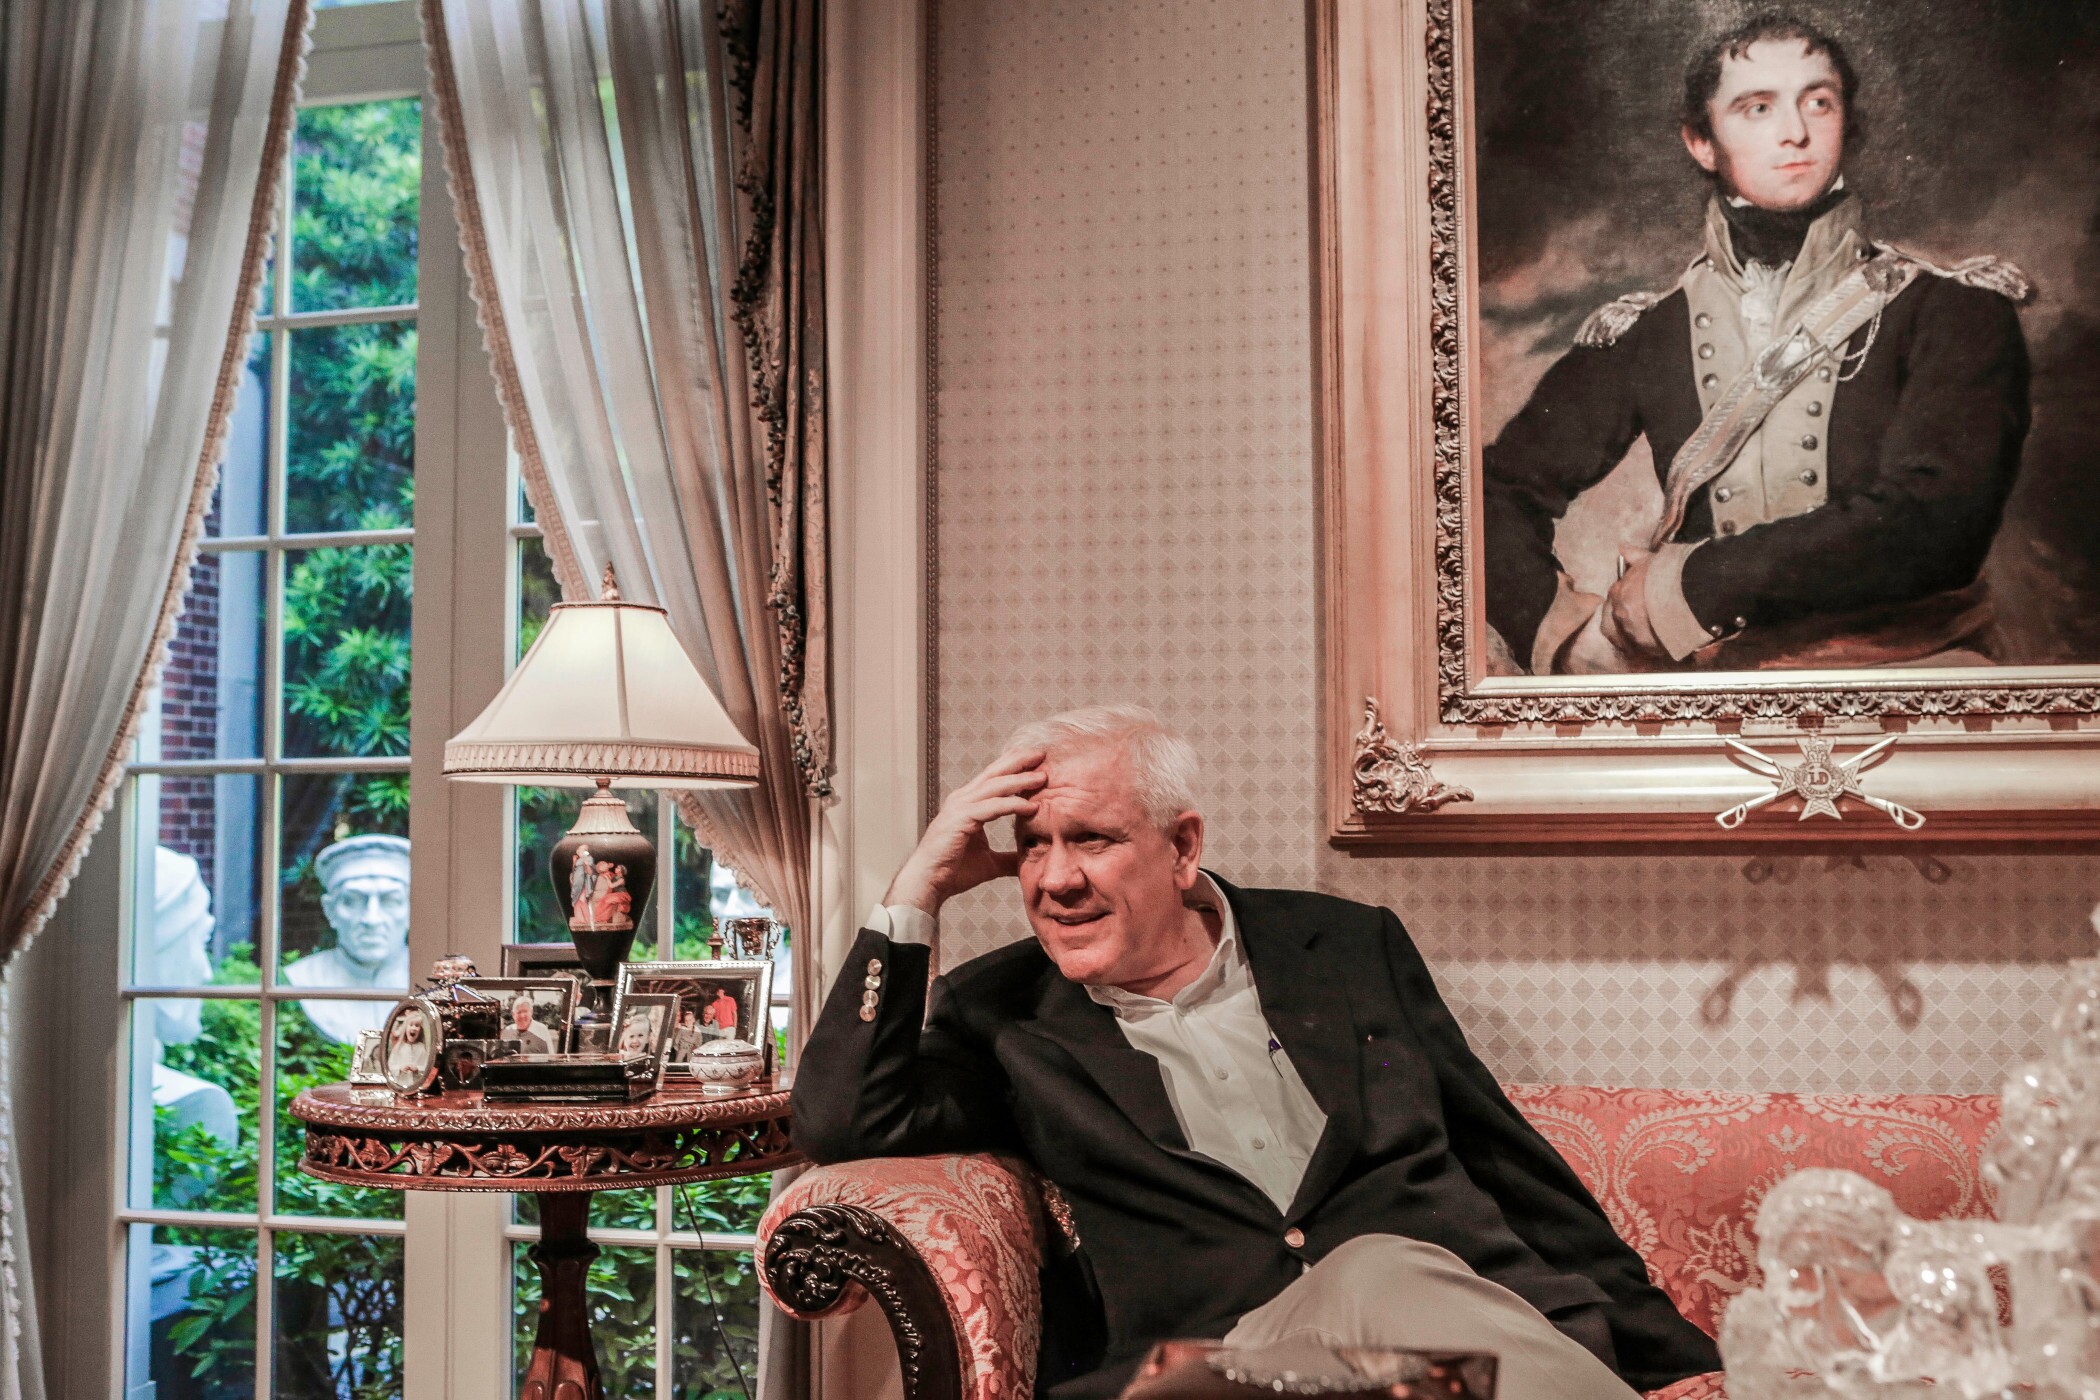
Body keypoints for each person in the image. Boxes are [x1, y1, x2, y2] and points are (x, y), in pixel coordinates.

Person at [794, 706, 1719, 1399]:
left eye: (1092, 840)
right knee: (1374, 1269)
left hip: (1448, 1363)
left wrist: (1683, 1364)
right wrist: (915, 891)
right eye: (1030, 847)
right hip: (1221, 1369)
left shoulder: (1345, 948)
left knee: (1394, 1284)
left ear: (1182, 847)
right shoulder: (1006, 1015)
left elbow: (1505, 1157)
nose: (1055, 879)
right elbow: (841, 1119)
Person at [1481, 12, 2031, 676]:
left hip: (1914, 679)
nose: (1795, 132)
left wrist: (1683, 590)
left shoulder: (1954, 309)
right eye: (1757, 107)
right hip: (1710, 694)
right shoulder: (1651, 329)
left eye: (1817, 102)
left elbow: (1937, 522)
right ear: (1701, 142)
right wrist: (1566, 638)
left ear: (1845, 123)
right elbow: (1489, 492)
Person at [284, 834, 413, 1043]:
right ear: (330, 910)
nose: (371, 919)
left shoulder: (426, 980)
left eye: (390, 900)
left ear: (410, 909)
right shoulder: (304, 978)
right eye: (352, 901)